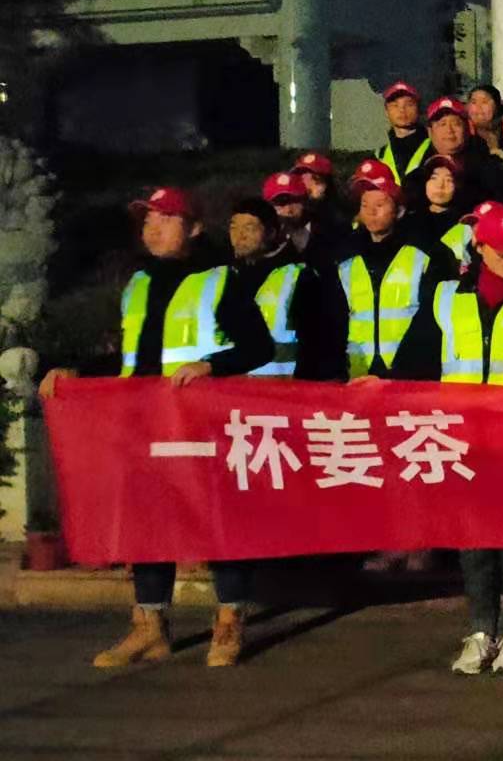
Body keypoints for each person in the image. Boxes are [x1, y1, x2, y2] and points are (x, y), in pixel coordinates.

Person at [40, 187, 274, 669]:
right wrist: (77, 372)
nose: (153, 229)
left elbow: (259, 346)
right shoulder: (138, 283)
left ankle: (228, 621)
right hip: (144, 424)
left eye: (166, 219)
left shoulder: (219, 280)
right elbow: (132, 359)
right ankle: (150, 627)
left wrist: (210, 366)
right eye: (148, 220)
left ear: (194, 228)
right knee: (147, 523)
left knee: (218, 522)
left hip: (202, 425)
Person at [381, 201, 503, 675]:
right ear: (479, 246)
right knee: (473, 540)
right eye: (500, 248)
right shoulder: (446, 297)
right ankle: (481, 629)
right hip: (462, 438)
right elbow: (415, 359)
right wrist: (379, 385)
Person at [335, 171, 445, 379]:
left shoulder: (424, 255)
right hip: (357, 374)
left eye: (380, 205)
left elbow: (430, 320)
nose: (371, 212)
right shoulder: (346, 259)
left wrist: (404, 370)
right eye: (365, 205)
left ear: (399, 211)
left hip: (409, 375)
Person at [228, 187, 342, 380]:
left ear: (271, 232)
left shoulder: (300, 277)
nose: (239, 236)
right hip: (230, 393)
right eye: (233, 227)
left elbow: (318, 344)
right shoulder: (224, 277)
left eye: (249, 228)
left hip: (283, 391)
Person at [373, 81, 430, 181]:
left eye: (409, 104)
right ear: (386, 111)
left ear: (419, 109)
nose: (402, 110)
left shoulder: (434, 148)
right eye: (395, 105)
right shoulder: (379, 155)